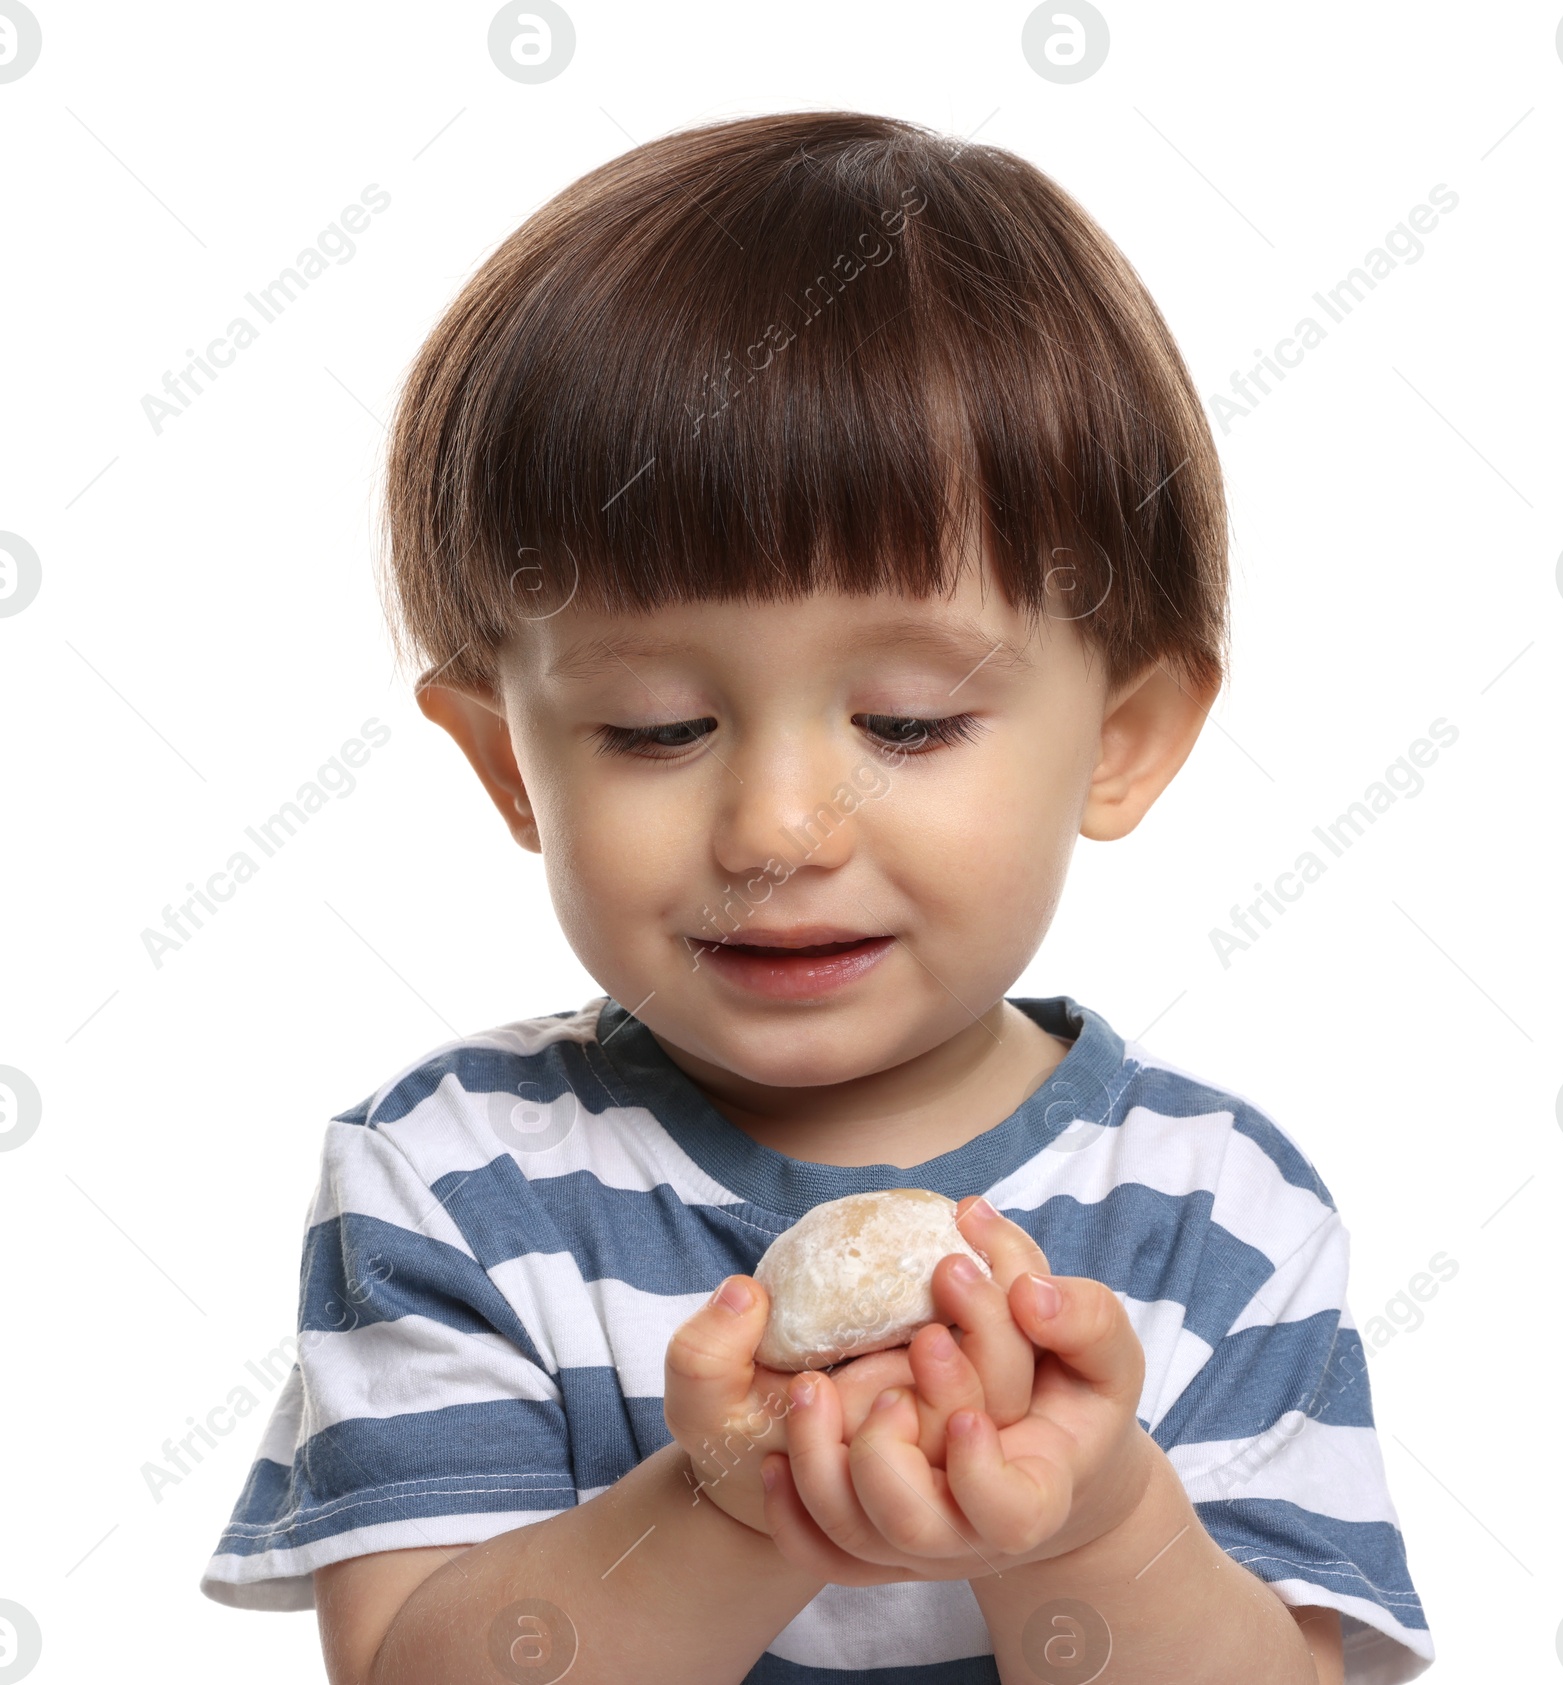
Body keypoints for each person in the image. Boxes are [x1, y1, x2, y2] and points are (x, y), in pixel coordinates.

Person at [201, 109, 1433, 1683]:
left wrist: (1089, 1519)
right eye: (657, 727)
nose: (780, 825)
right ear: (510, 764)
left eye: (907, 722)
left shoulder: (1220, 1213)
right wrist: (741, 1506)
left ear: (1120, 739)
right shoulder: (451, 1180)